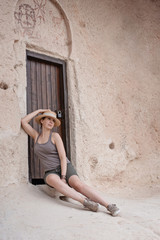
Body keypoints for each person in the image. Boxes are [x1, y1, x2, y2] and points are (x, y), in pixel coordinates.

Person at [21, 109, 120, 216]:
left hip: (65, 167)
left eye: (53, 120)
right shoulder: (36, 137)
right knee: (52, 179)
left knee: (78, 185)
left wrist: (63, 177)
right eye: (48, 119)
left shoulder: (55, 136)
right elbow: (23, 122)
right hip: (51, 172)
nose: (51, 122)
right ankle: (85, 202)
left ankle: (109, 205)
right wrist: (39, 111)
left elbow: (63, 157)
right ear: (42, 121)